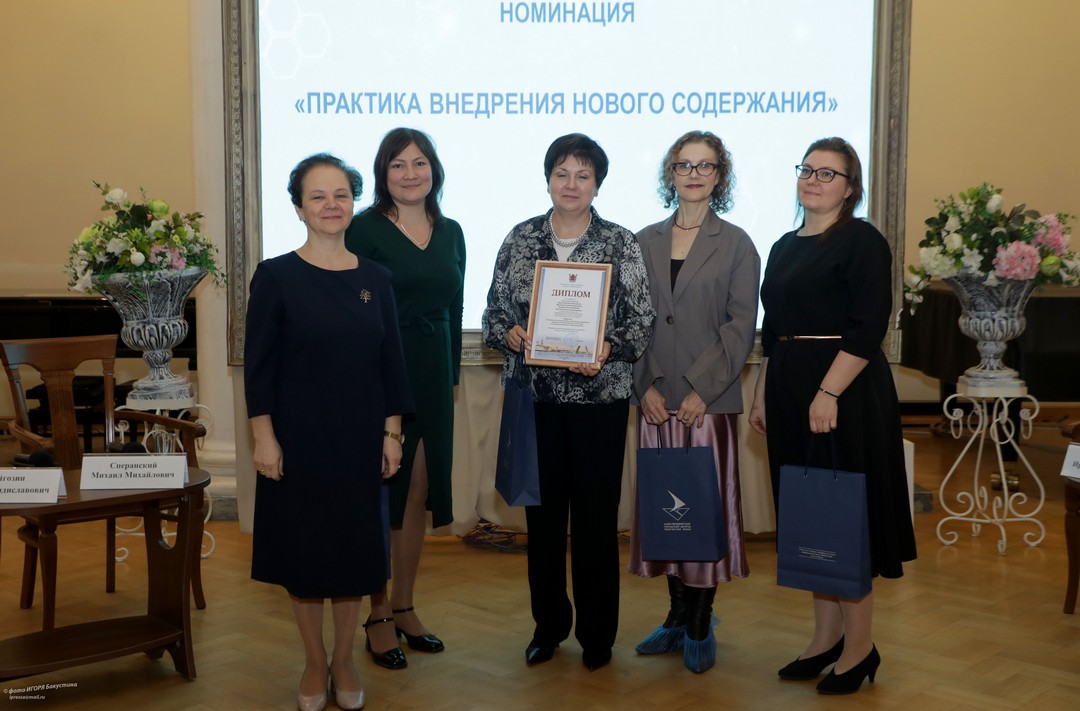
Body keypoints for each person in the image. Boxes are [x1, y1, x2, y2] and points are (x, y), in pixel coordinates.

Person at [748, 137, 916, 695]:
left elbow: (869, 326)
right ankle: (826, 640)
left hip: (844, 392)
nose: (814, 180)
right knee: (810, 519)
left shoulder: (862, 240)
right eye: (808, 170)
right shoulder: (783, 245)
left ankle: (860, 647)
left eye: (828, 173)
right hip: (789, 388)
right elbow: (775, 333)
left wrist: (828, 392)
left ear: (850, 188)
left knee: (845, 519)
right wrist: (761, 392)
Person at [245, 153, 413, 711]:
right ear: (299, 208)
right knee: (305, 558)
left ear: (354, 203)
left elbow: (391, 364)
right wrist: (263, 437)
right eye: (317, 196)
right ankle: (314, 662)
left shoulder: (376, 279)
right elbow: (259, 368)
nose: (331, 205)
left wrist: (392, 434)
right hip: (298, 443)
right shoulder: (275, 277)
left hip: (360, 442)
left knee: (353, 557)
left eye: (341, 194)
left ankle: (343, 659)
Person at [482, 133, 655, 671]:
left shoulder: (620, 243)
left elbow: (641, 322)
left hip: (598, 402)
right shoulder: (520, 238)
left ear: (597, 183)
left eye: (583, 175)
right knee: (544, 522)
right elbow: (491, 314)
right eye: (562, 173)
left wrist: (607, 348)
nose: (572, 184)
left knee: (597, 522)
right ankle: (549, 627)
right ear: (548, 179)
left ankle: (598, 636)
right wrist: (510, 333)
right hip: (535, 402)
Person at [630, 131, 760, 673]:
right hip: (655, 401)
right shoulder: (642, 241)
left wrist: (700, 390)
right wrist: (645, 384)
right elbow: (629, 320)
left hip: (707, 405)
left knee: (701, 512)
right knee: (668, 513)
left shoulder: (737, 244)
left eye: (705, 166)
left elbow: (739, 327)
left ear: (719, 176)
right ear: (671, 173)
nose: (694, 174)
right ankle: (677, 616)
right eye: (684, 165)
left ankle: (702, 621)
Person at [344, 128, 465, 667]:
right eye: (398, 164)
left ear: (433, 169)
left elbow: (455, 308)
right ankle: (376, 614)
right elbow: (349, 309)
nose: (410, 173)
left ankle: (404, 605)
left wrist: (450, 376)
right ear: (382, 173)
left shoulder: (452, 231)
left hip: (433, 373)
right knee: (382, 496)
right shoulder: (363, 228)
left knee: (417, 492)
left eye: (419, 162)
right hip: (378, 371)